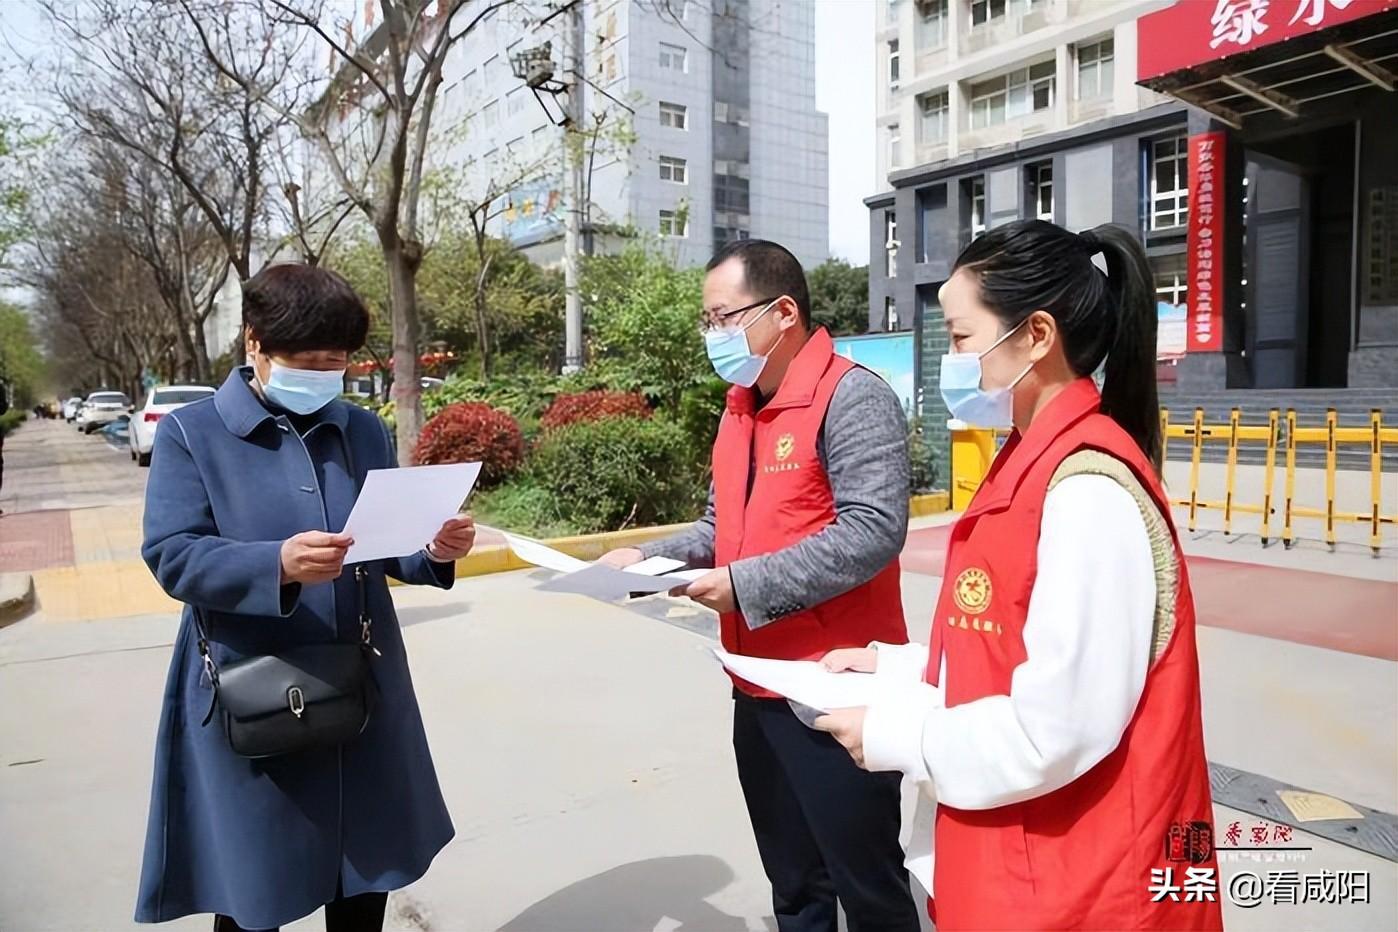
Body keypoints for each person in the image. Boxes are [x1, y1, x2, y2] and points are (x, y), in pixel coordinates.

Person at [813, 220, 1222, 931]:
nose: (953, 357)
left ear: (1036, 335)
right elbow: (1009, 648)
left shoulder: (1086, 491)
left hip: (1084, 889)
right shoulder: (1029, 456)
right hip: (1025, 865)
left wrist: (896, 736)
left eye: (963, 336)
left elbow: (1056, 727)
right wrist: (900, 669)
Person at [135, 264, 477, 932]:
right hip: (252, 688)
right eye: (308, 361)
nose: (325, 376)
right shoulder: (191, 435)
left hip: (360, 683)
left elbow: (383, 541)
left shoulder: (359, 430)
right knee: (256, 887)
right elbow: (172, 553)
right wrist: (278, 565)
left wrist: (433, 548)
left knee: (364, 875)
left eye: (337, 363)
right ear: (254, 343)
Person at [602, 240, 922, 932]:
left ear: (783, 312)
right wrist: (645, 557)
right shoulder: (740, 407)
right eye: (707, 321)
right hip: (754, 685)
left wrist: (744, 586)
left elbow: (872, 531)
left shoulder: (851, 395)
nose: (712, 334)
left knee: (867, 886)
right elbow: (724, 526)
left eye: (723, 317)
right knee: (795, 885)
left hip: (835, 688)